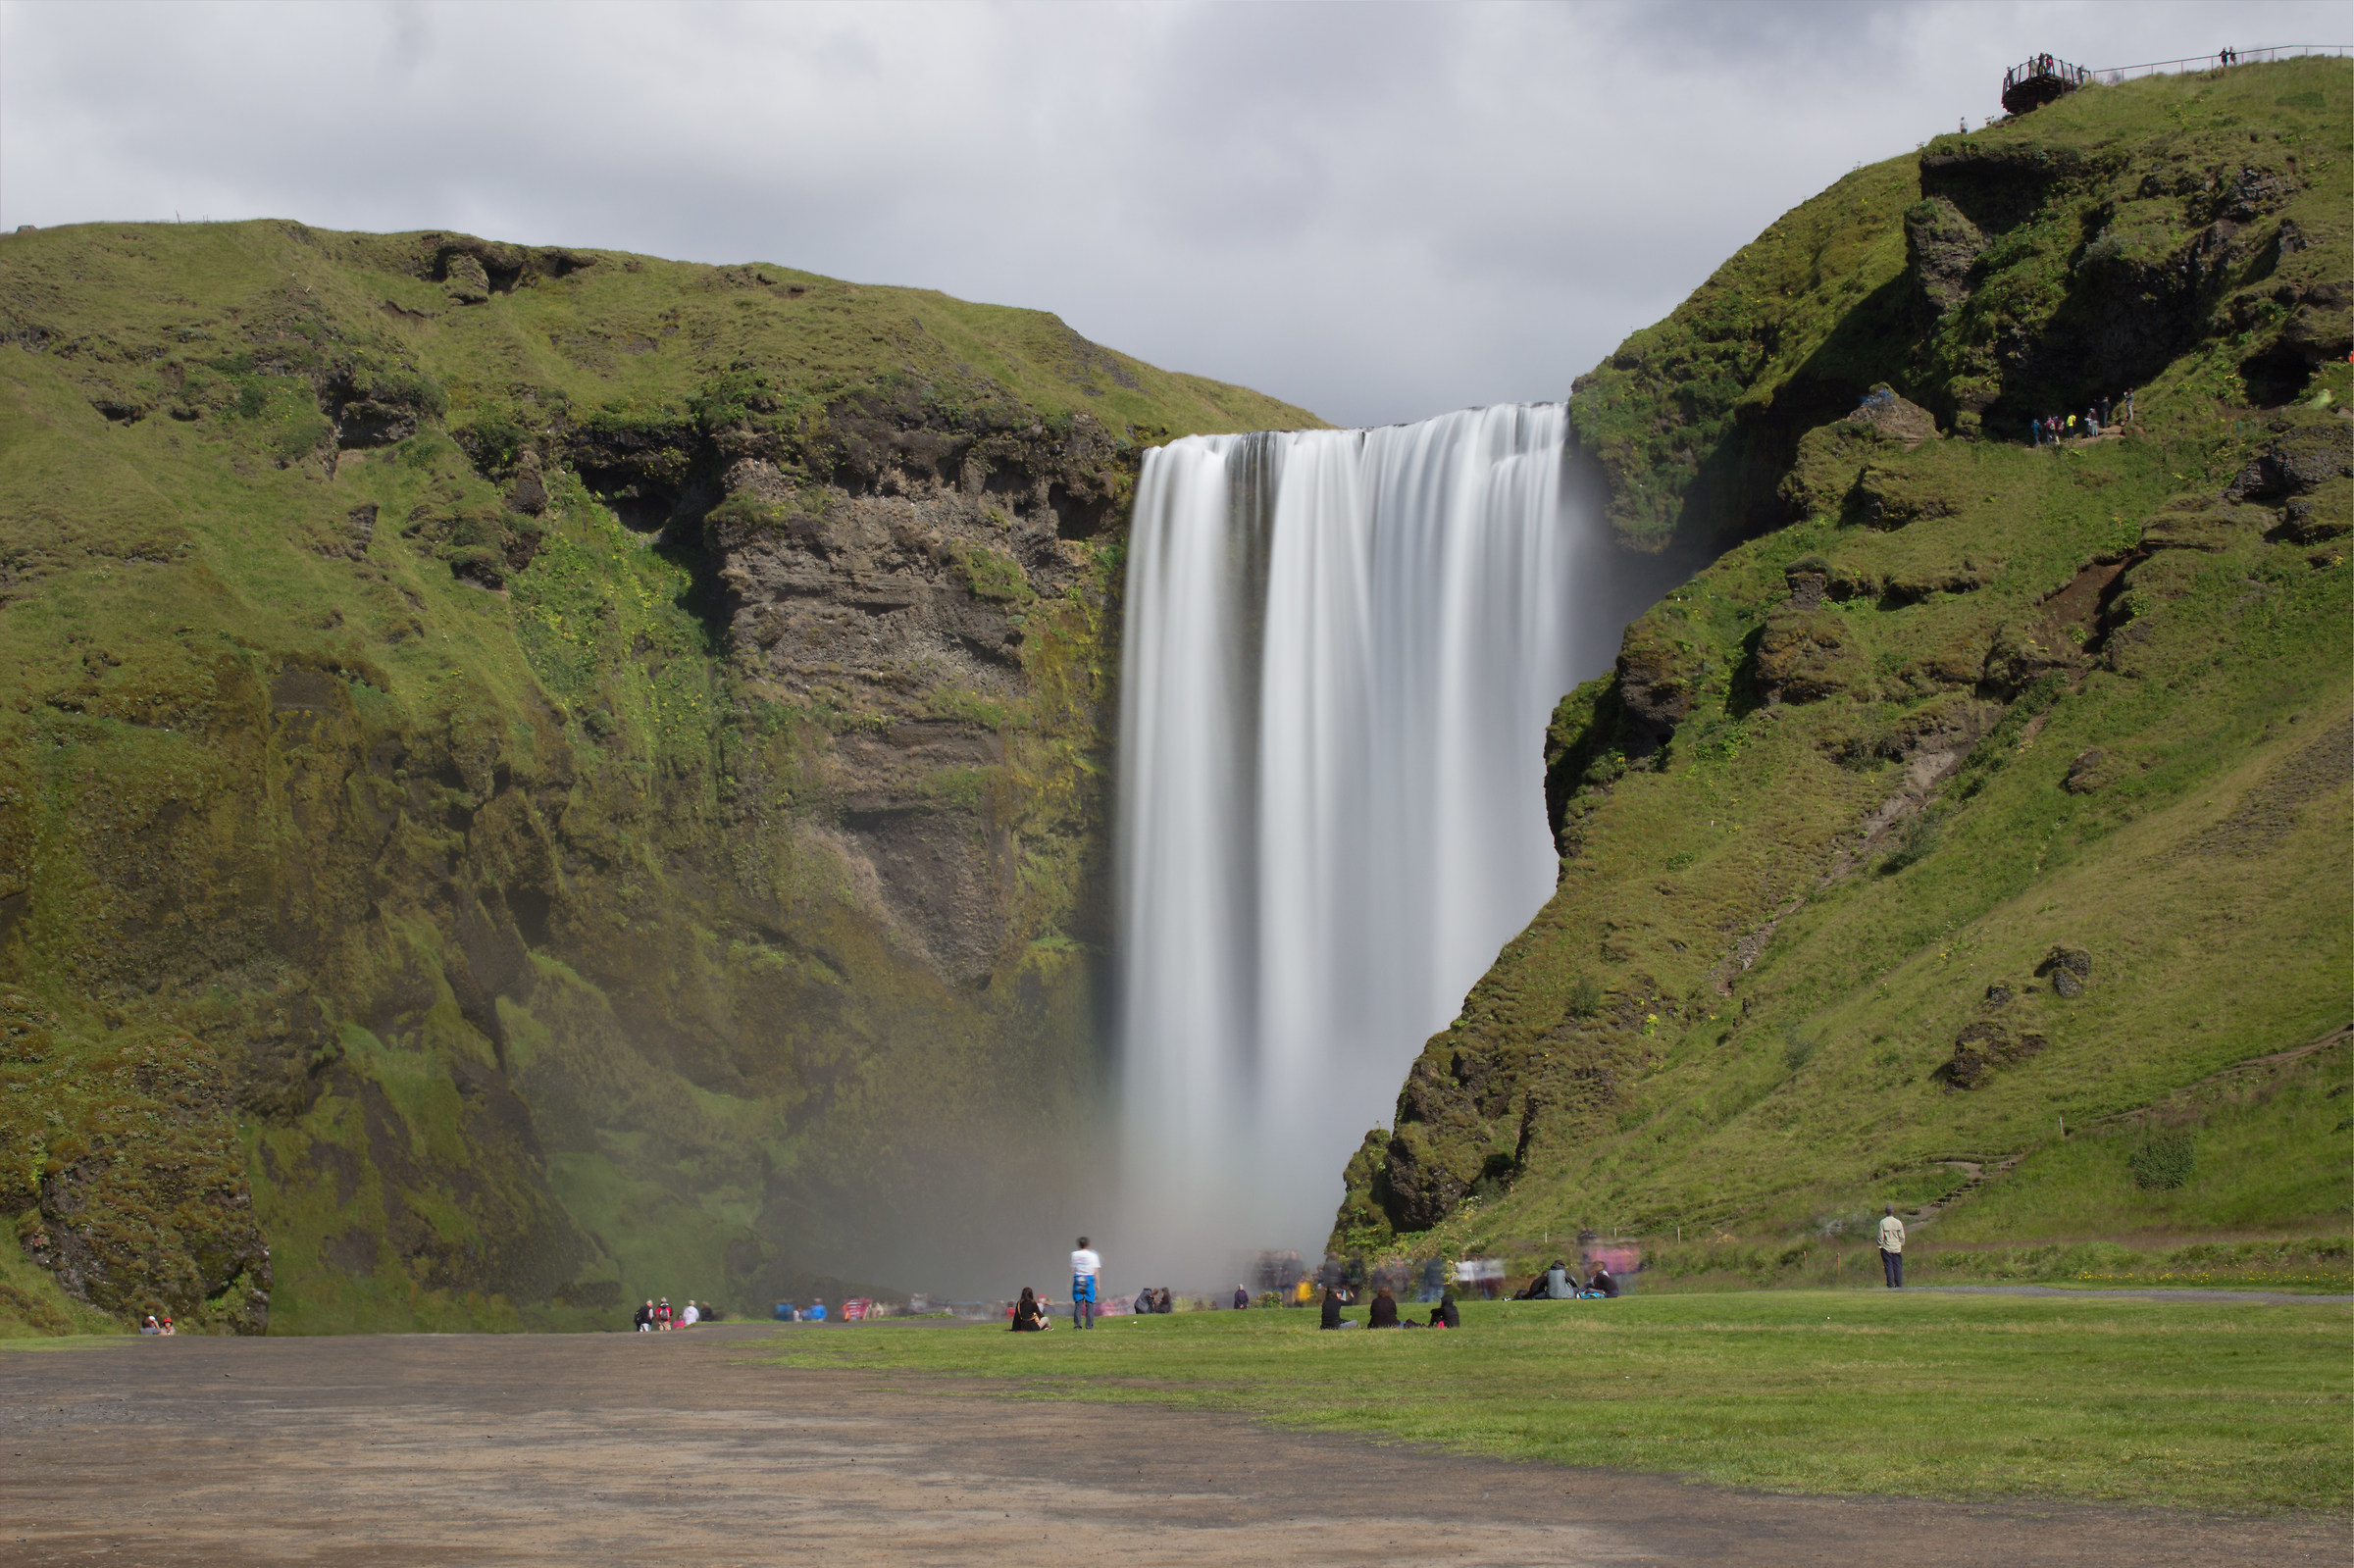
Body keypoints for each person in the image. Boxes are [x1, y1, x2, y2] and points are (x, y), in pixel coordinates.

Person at [1070, 1237, 1100, 1330]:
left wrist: (1070, 1281)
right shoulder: (1093, 1255)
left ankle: (1077, 1325)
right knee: (1089, 1303)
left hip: (1078, 1278)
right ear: (1087, 1244)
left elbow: (1073, 1269)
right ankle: (1089, 1325)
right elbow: (1096, 1270)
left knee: (1078, 1303)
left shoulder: (1074, 1255)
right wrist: (1097, 1284)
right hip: (1089, 1279)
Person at [1878, 1204, 1907, 1289]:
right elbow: (1902, 1236)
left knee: (1888, 1266)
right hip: (1896, 1247)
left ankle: (1890, 1285)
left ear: (1885, 1211)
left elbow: (1880, 1236)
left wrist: (1880, 1245)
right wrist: (1901, 1244)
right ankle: (1899, 1284)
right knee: (1898, 1266)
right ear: (1893, 1211)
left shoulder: (1883, 1222)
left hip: (1887, 1247)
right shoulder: (1898, 1222)